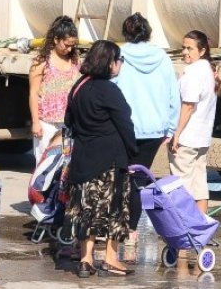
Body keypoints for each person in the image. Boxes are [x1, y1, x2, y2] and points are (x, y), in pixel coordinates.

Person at [65, 40, 139, 278]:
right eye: (119, 60)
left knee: (87, 209)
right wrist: (132, 153)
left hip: (83, 157)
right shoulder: (109, 90)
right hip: (110, 159)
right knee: (113, 209)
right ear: (109, 62)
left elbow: (69, 121)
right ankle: (110, 258)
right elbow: (125, 123)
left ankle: (86, 260)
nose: (120, 65)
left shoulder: (79, 86)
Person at [113, 13, 180, 241]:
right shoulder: (162, 57)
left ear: (126, 32)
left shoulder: (119, 55)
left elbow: (111, 89)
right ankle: (132, 231)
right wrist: (170, 130)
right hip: (153, 131)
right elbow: (173, 96)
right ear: (148, 32)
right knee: (139, 181)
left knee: (121, 178)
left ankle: (116, 226)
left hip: (125, 129)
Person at [168, 30, 221, 215]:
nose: (185, 52)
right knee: (199, 186)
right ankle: (200, 232)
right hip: (202, 139)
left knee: (182, 188)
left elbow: (188, 105)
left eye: (190, 48)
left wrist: (177, 133)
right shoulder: (208, 70)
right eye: (183, 48)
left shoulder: (193, 72)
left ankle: (185, 233)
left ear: (202, 50)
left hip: (188, 139)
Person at [29, 15, 79, 162]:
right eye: (66, 45)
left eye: (72, 45)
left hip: (68, 123)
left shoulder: (75, 61)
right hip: (46, 123)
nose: (69, 49)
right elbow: (33, 94)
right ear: (56, 39)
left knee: (66, 162)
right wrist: (36, 122)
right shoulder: (42, 61)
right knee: (44, 162)